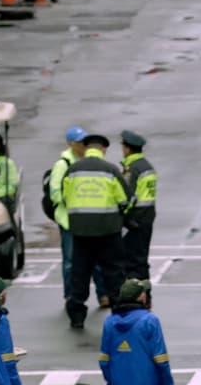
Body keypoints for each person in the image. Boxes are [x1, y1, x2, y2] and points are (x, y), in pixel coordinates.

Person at [62, 132, 127, 329]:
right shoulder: (111, 170)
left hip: (81, 232)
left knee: (79, 274)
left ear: (86, 147)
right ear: (104, 149)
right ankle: (119, 314)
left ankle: (77, 315)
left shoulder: (72, 171)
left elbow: (65, 198)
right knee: (113, 273)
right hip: (108, 231)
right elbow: (124, 199)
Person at [47, 127, 88, 305]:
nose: (83, 145)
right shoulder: (62, 164)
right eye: (80, 142)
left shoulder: (87, 161)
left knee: (91, 261)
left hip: (86, 220)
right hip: (69, 221)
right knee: (70, 261)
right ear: (71, 144)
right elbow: (55, 193)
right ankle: (70, 295)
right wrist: (74, 198)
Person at [119, 129, 157, 290]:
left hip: (135, 219)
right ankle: (146, 295)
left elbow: (128, 195)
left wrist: (122, 216)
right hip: (147, 217)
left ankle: (136, 295)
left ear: (127, 148)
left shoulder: (132, 169)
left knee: (131, 261)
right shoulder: (147, 166)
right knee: (141, 259)